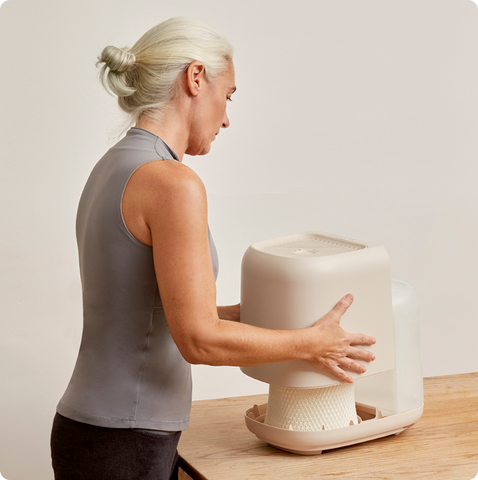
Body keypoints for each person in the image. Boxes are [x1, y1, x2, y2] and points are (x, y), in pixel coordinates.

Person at [50, 17, 376, 480]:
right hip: (127, 440)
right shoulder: (171, 182)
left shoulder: (114, 165)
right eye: (229, 95)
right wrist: (311, 345)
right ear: (195, 78)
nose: (226, 117)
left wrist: (255, 313)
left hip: (94, 430)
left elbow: (146, 313)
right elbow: (198, 339)